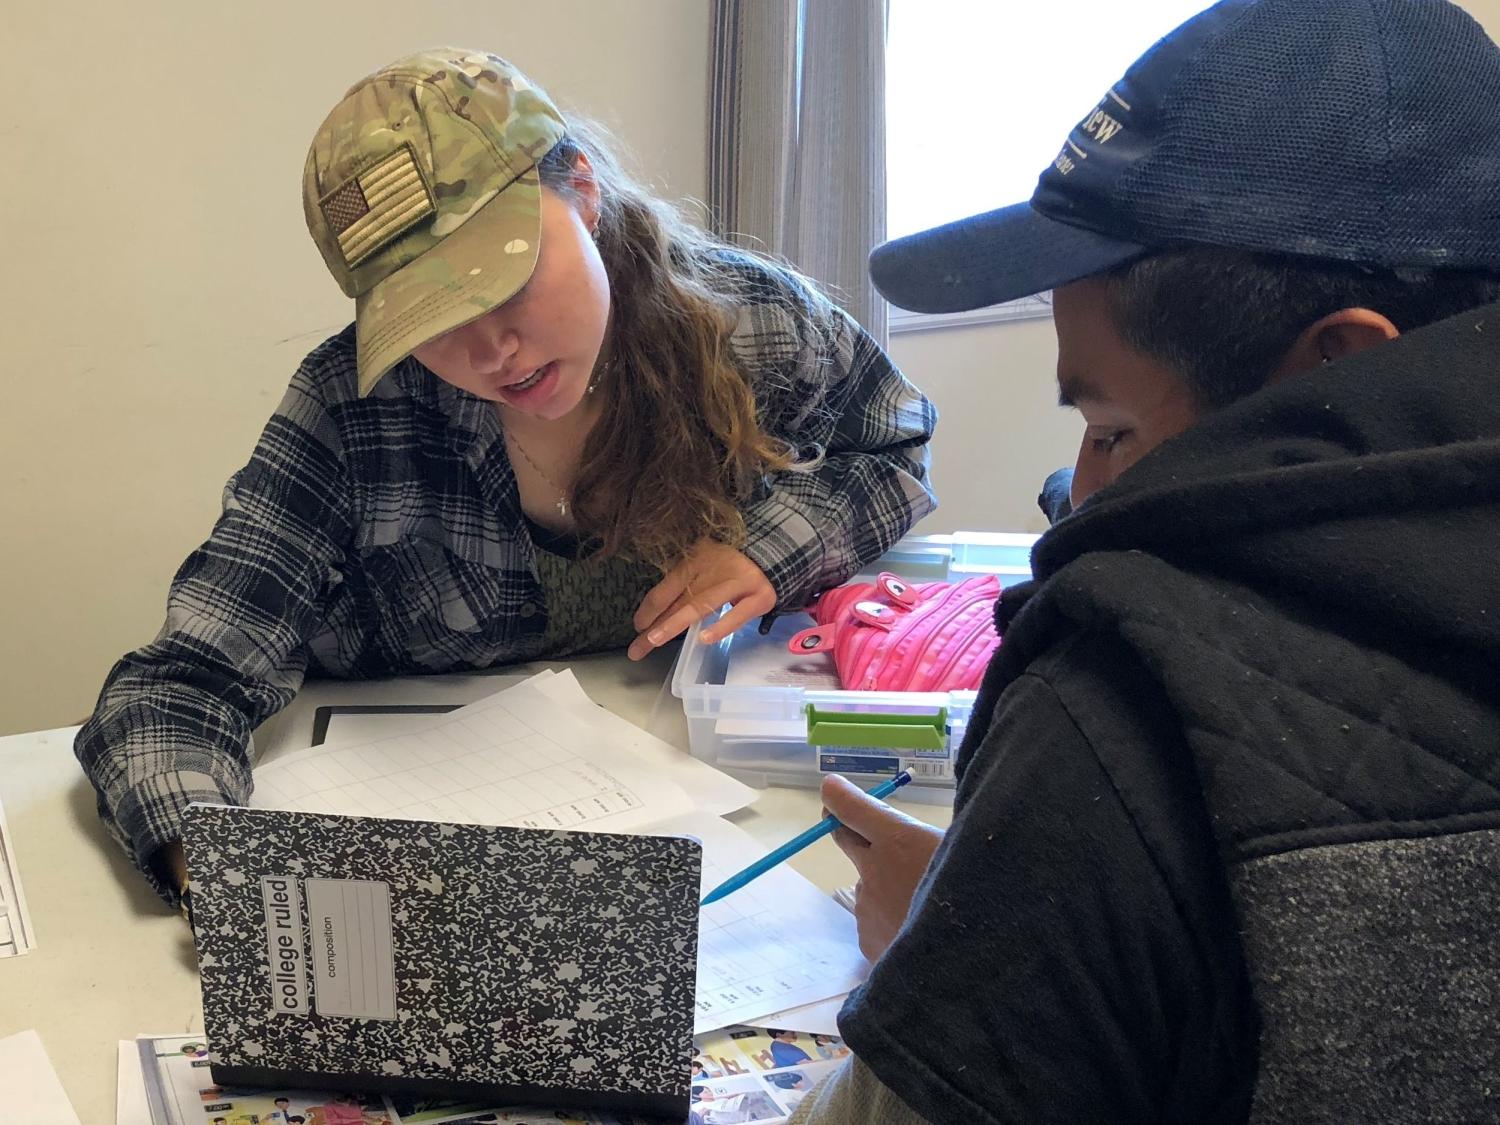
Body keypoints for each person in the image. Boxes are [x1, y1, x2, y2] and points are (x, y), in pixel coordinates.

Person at [793, 1, 1500, 1122]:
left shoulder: (1121, 710)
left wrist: (970, 946)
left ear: (1340, 376)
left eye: (1112, 430)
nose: (1083, 496)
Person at [73, 48, 936, 903]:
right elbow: (176, 690)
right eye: (429, 317)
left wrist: (769, 551)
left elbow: (894, 443)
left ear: (585, 195)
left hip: (709, 819)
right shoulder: (353, 410)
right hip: (425, 838)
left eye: (507, 278)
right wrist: (223, 878)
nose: (490, 351)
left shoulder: (748, 325)